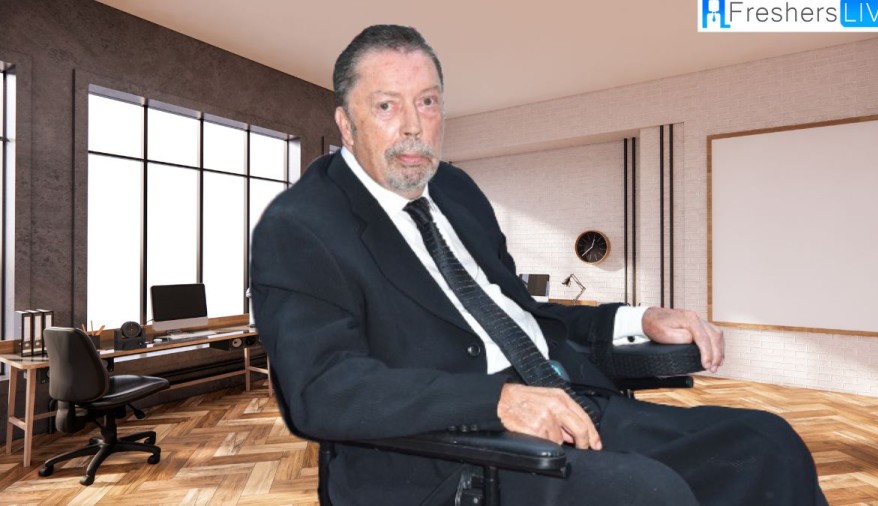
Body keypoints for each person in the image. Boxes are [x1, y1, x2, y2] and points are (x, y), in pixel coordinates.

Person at [251, 24, 827, 505]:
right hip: (445, 452)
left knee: (765, 442)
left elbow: (517, 312)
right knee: (650, 492)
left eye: (426, 102)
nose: (412, 126)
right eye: (386, 106)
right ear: (346, 125)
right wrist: (497, 401)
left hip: (564, 396)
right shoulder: (300, 225)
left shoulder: (453, 190)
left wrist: (637, 319)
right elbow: (321, 390)